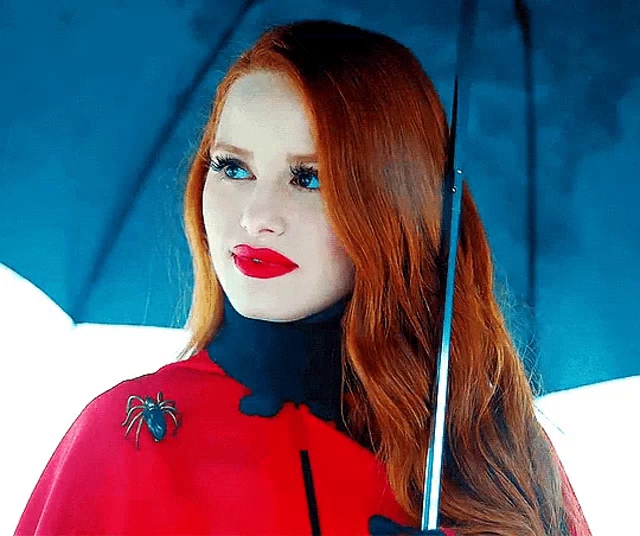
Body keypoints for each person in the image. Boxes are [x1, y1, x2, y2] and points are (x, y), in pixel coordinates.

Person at [15, 19, 591, 536]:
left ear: (396, 206)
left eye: (309, 178)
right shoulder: (126, 438)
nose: (257, 217)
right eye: (233, 167)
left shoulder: (497, 455)